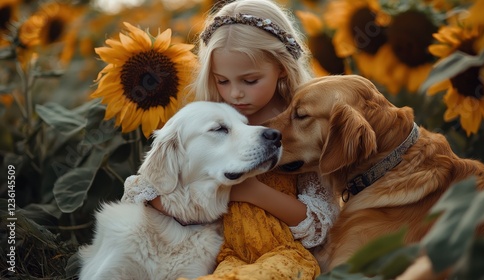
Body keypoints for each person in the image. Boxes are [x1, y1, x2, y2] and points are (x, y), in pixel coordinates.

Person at [123, 0, 339, 278]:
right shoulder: (212, 123)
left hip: (281, 254)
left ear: (281, 67)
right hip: (214, 253)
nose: (235, 93)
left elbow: (320, 225)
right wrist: (192, 202)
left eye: (249, 81)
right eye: (222, 81)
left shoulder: (303, 130)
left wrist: (249, 192)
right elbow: (143, 191)